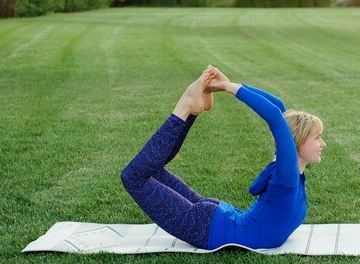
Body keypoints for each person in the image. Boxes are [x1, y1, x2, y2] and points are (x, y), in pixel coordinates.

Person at [120, 65, 326, 250]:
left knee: (148, 171)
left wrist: (228, 85)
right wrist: (229, 87)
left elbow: (278, 108)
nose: (322, 144)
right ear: (297, 144)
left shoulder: (290, 173)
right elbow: (274, 114)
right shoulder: (288, 175)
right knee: (134, 176)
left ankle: (192, 111)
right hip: (207, 227)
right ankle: (186, 107)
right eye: (317, 138)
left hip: (213, 221)